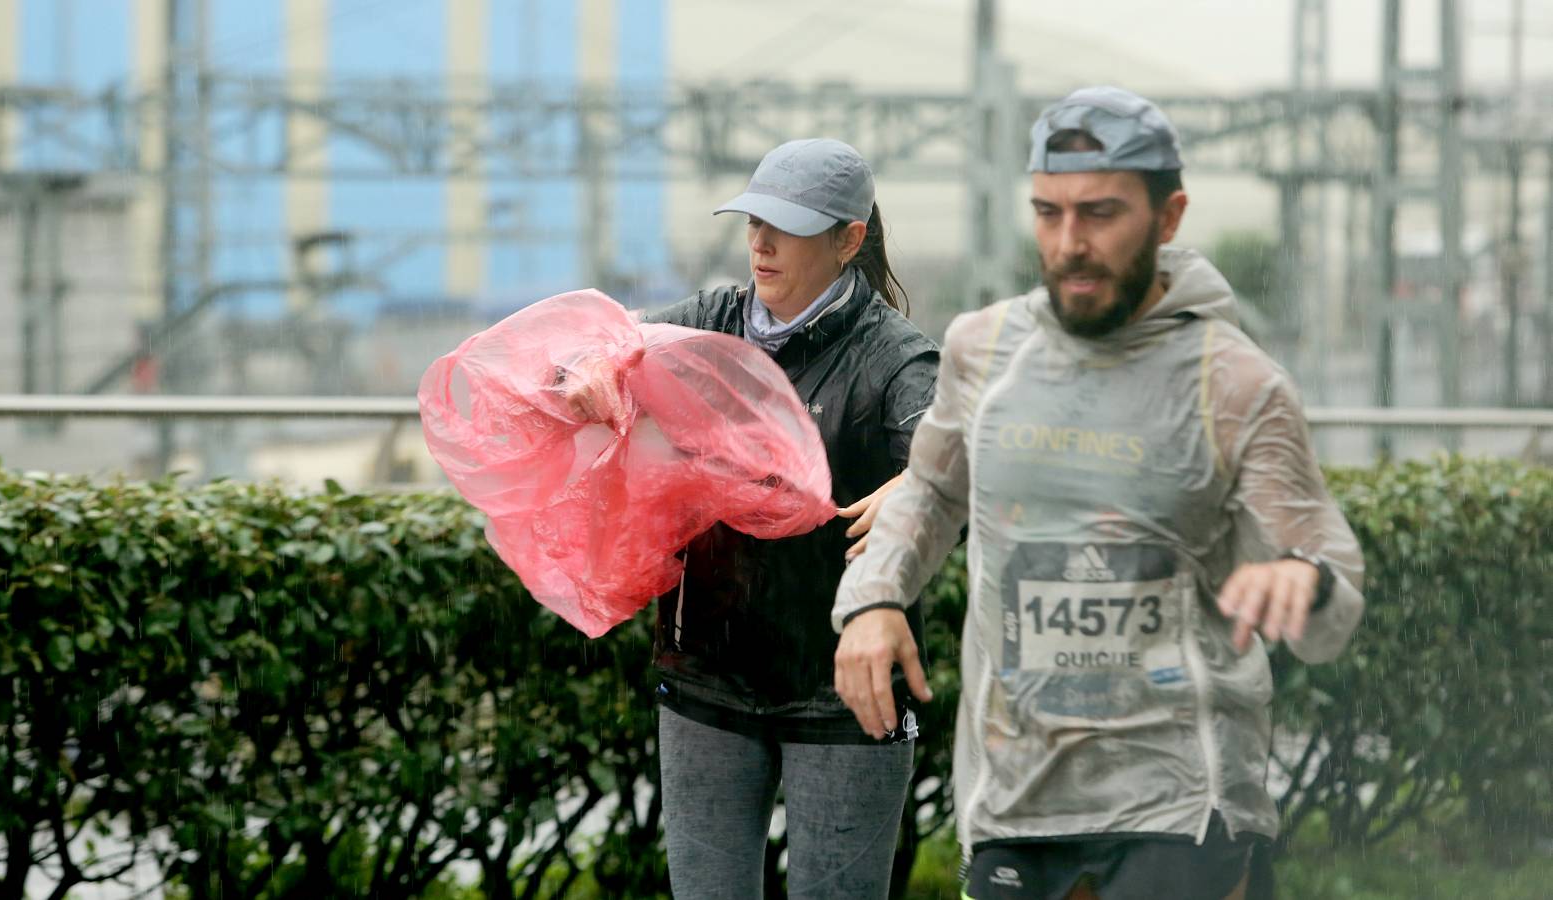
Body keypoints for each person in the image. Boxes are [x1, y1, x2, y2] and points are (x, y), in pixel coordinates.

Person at [830, 86, 1366, 900]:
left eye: (1101, 213)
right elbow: (933, 491)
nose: (1070, 243)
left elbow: (1333, 599)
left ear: (1170, 215)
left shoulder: (1238, 383)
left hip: (1182, 804)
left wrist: (1307, 579)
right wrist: (871, 601)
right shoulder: (986, 349)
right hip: (1015, 798)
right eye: (1049, 213)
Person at [561, 138, 939, 898]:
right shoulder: (708, 324)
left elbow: (958, 446)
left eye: (787, 226)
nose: (759, 243)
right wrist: (588, 369)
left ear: (849, 240)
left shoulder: (897, 358)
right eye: (751, 221)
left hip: (844, 689)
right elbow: (578, 354)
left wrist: (929, 477)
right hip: (707, 675)